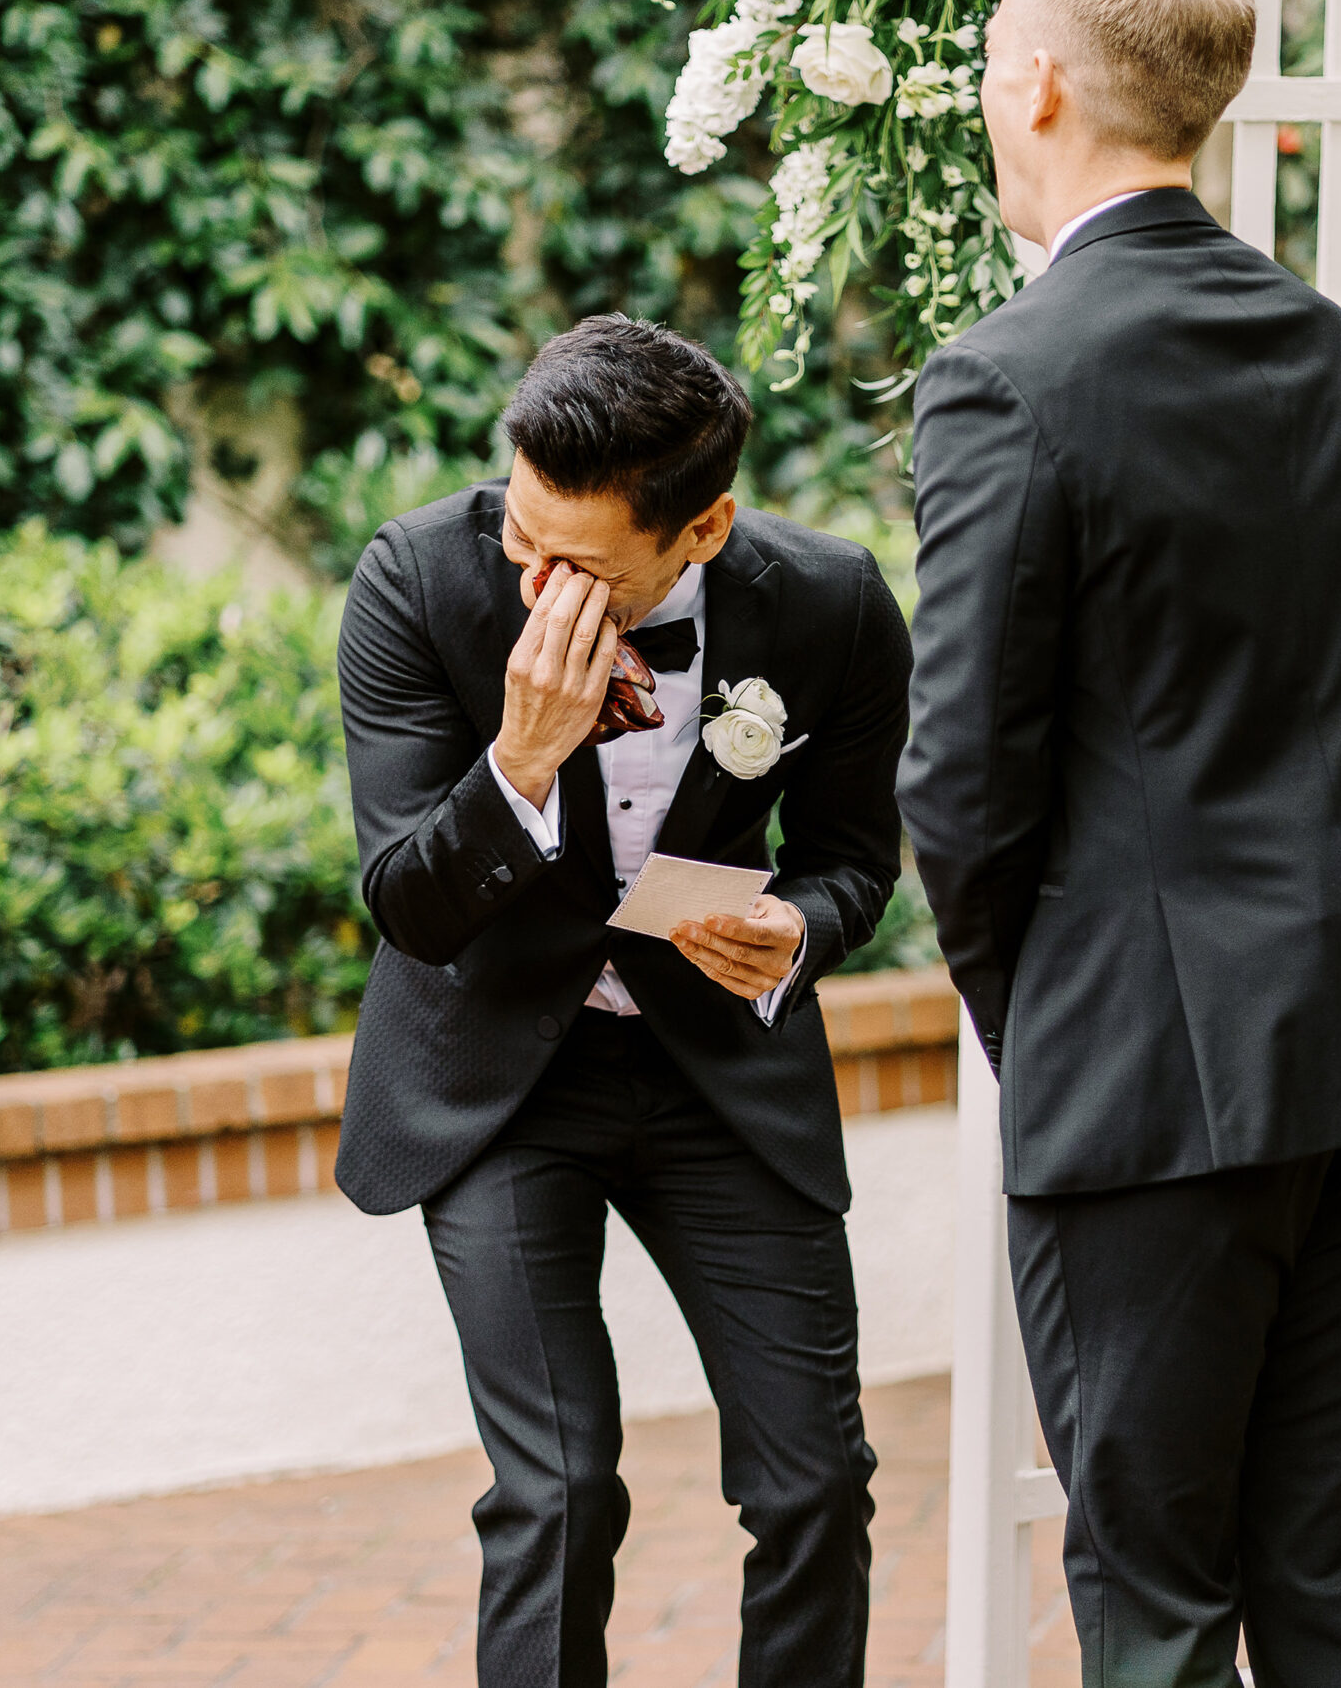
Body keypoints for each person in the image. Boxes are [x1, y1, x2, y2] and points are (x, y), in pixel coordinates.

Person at [898, 0, 1341, 1679]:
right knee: (1334, 1574)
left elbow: (959, 785)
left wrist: (1049, 1017)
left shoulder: (1006, 380)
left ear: (1032, 89)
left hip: (1149, 1085)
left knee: (1157, 1600)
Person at [333, 315, 911, 1688]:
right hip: (499, 1078)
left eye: (577, 564)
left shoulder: (827, 603)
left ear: (702, 526)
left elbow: (853, 860)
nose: (534, 579)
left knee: (816, 1481)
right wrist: (523, 752)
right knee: (564, 1488)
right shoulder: (417, 581)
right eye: (522, 533)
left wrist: (797, 925)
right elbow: (406, 901)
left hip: (718, 1069)